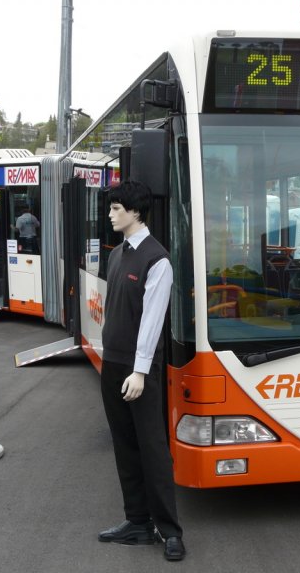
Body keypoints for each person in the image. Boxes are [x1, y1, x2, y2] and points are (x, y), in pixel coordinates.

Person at [97, 180, 185, 562]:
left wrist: (140, 371)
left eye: (116, 208)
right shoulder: (117, 255)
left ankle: (170, 531)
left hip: (139, 370)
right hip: (113, 363)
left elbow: (152, 321)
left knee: (152, 449)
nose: (111, 214)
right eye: (111, 208)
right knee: (124, 446)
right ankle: (137, 522)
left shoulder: (157, 259)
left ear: (135, 211)